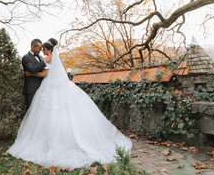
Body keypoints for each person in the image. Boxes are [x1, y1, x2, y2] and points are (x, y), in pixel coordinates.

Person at [7, 38, 132, 170]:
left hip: (49, 87)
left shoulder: (48, 59)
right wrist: (32, 71)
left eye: (43, 48)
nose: (41, 50)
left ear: (48, 50)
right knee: (44, 115)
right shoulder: (41, 57)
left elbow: (45, 73)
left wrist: (31, 72)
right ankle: (43, 136)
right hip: (44, 88)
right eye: (40, 48)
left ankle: (50, 140)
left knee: (52, 114)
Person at [22, 39, 50, 110]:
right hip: (32, 90)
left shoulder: (40, 57)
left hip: (42, 88)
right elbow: (32, 69)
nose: (41, 50)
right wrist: (43, 63)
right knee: (31, 111)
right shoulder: (26, 58)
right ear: (33, 47)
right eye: (39, 48)